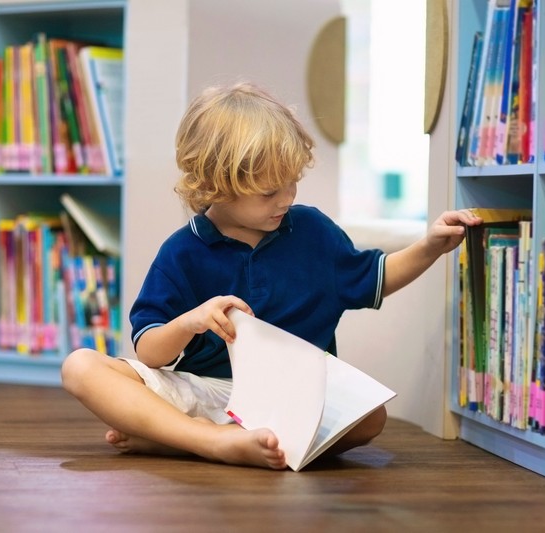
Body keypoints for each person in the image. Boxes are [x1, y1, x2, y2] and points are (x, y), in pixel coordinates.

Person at [61, 82, 481, 470]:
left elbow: (376, 275)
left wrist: (430, 247)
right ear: (215, 184)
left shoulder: (313, 231)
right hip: (203, 391)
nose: (286, 199)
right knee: (80, 366)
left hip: (290, 397)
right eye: (268, 192)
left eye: (292, 184)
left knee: (371, 417)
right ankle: (208, 441)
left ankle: (179, 441)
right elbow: (150, 352)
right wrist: (191, 321)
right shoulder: (181, 251)